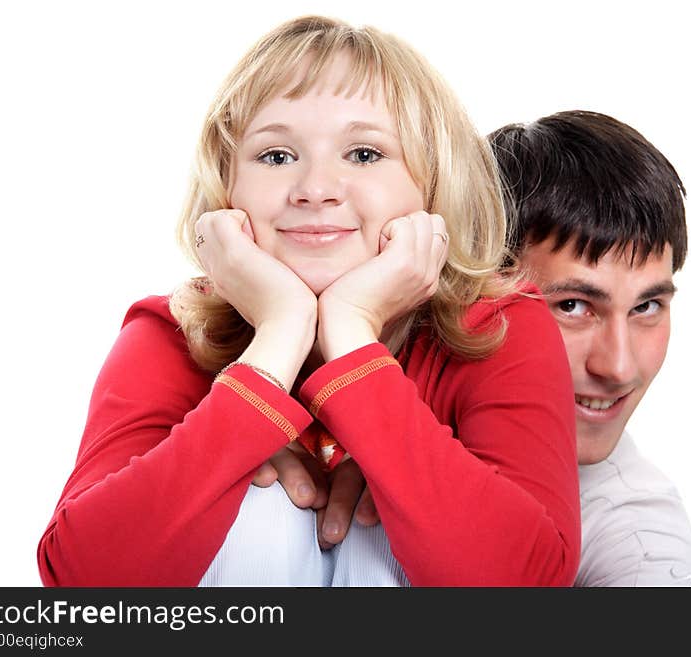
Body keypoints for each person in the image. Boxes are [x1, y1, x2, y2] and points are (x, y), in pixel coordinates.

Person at [37, 16, 580, 587]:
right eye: (276, 156)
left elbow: (528, 586)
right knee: (258, 516)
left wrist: (351, 334)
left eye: (365, 154)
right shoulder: (166, 332)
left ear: (434, 186)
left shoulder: (503, 328)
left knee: (383, 537)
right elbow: (84, 584)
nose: (316, 188)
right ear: (227, 189)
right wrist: (279, 336)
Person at [488, 110, 691, 586]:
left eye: (648, 306)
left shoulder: (645, 551)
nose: (620, 367)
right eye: (573, 305)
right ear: (472, 295)